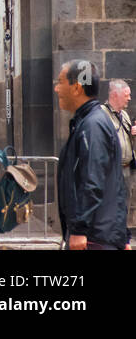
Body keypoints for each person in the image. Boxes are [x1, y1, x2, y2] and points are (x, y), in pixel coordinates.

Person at [55, 59, 130, 250]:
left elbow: (92, 180)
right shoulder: (89, 122)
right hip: (100, 235)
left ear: (77, 88)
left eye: (60, 82)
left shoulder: (92, 126)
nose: (57, 89)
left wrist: (79, 230)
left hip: (94, 238)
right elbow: (114, 183)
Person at [102, 78, 136, 235]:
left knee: (124, 205)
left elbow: (127, 139)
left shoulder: (126, 115)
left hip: (127, 169)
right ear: (115, 95)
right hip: (111, 170)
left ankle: (121, 235)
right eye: (126, 95)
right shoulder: (101, 114)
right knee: (110, 205)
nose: (129, 98)